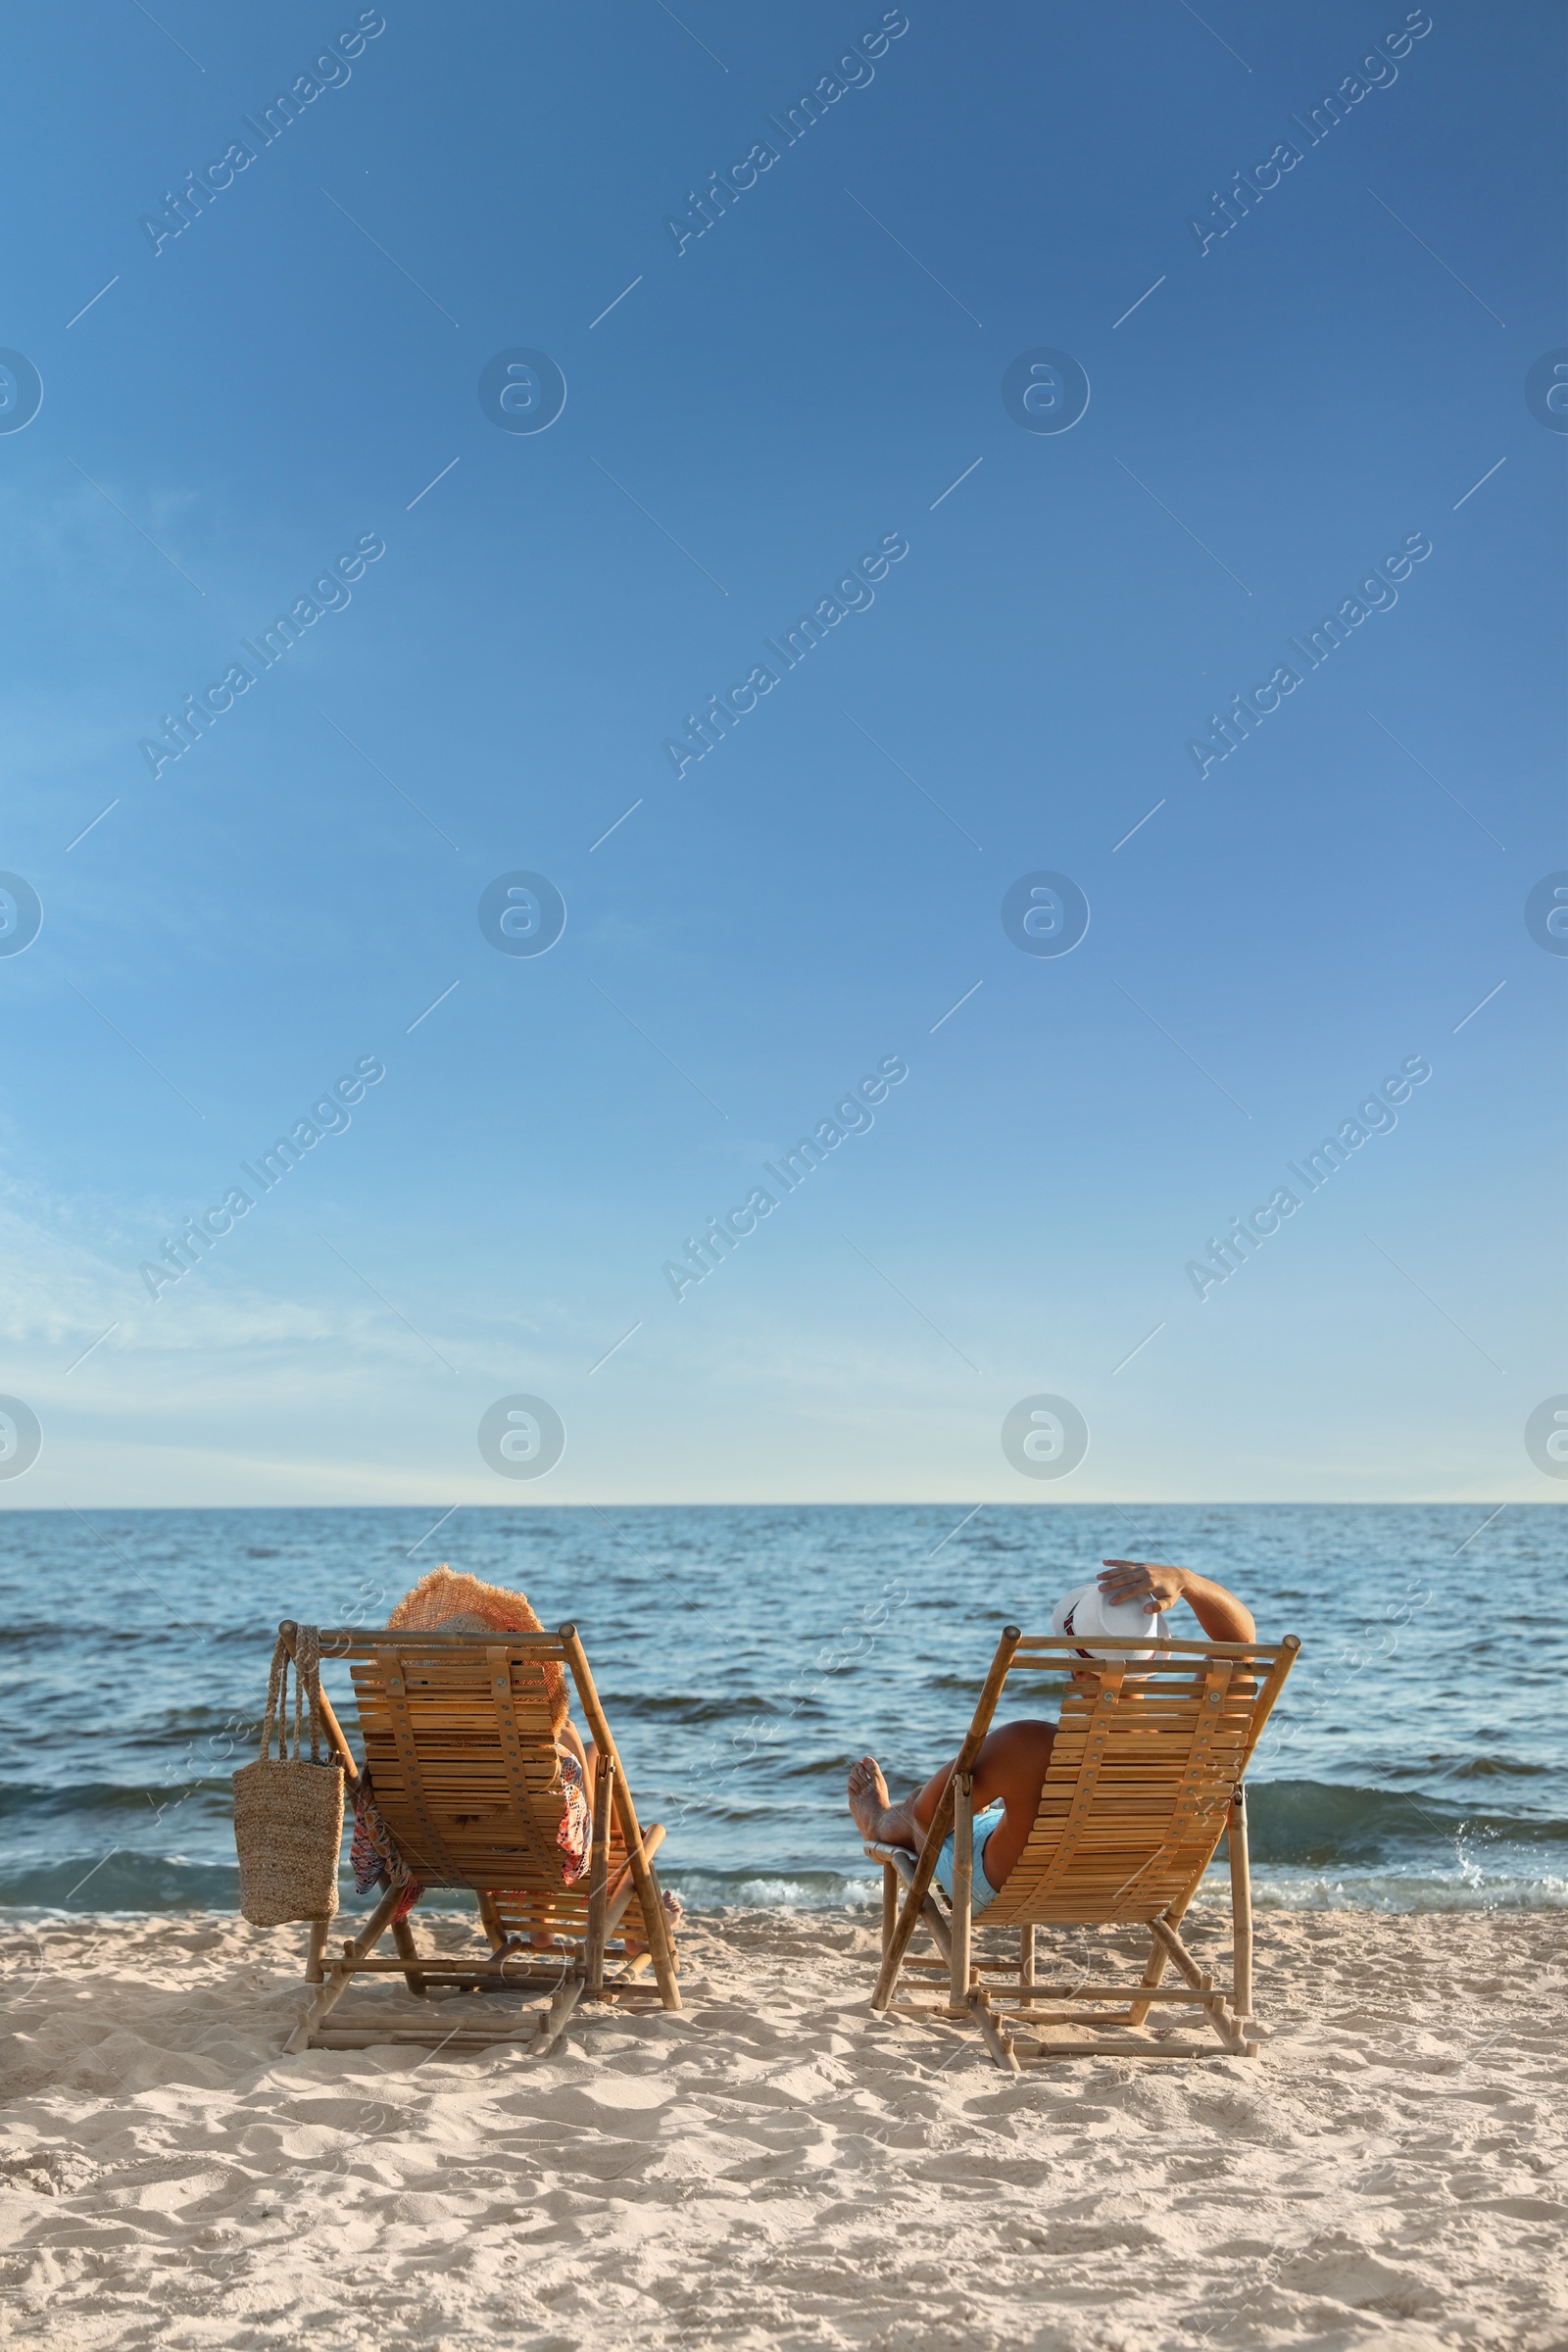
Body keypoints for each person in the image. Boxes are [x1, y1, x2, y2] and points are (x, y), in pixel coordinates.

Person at [846, 1557, 1255, 1918]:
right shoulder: (1197, 1741)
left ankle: (879, 1820)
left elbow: (929, 1819)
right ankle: (893, 1816)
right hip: (1139, 1894)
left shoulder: (1027, 1745)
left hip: (1009, 1892)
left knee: (927, 1800)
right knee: (976, 1798)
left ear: (1076, 1669)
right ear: (1151, 1661)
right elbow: (1240, 1646)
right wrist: (1185, 1579)